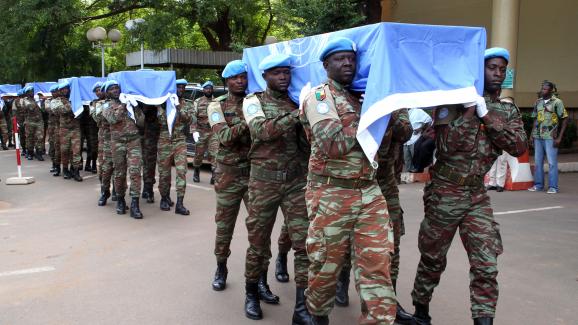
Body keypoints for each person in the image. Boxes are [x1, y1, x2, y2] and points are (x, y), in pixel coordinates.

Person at [410, 47, 527, 325]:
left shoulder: (506, 110)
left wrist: (488, 117)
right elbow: (448, 147)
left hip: (476, 194)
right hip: (445, 191)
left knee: (486, 262)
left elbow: (518, 145)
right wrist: (471, 112)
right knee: (433, 258)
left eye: (502, 69)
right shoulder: (452, 105)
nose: (498, 74)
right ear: (478, 70)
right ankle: (421, 310)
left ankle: (483, 319)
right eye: (491, 68)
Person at [300, 37, 396, 325]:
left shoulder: (362, 95)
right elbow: (332, 143)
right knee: (325, 266)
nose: (347, 64)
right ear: (326, 65)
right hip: (331, 192)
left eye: (351, 59)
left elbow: (392, 137)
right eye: (340, 59)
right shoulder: (319, 97)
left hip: (369, 191)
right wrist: (369, 114)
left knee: (378, 266)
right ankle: (318, 316)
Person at [242, 53, 311, 323]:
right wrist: (297, 115)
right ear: (265, 76)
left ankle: (302, 307)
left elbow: (305, 144)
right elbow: (261, 131)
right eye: (277, 73)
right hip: (263, 182)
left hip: (295, 181)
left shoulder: (295, 100)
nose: (284, 77)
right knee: (258, 244)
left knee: (305, 243)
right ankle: (251, 292)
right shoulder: (253, 101)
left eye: (287, 72)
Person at [207, 60, 252, 293]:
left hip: (255, 174)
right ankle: (221, 266)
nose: (240, 81)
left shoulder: (257, 101)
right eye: (235, 78)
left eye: (243, 77)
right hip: (229, 175)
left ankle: (258, 278)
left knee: (259, 229)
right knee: (225, 226)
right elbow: (224, 136)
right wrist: (250, 121)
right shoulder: (217, 106)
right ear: (227, 82)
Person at [102, 80, 145, 219]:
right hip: (118, 142)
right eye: (112, 89)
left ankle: (135, 204)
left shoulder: (130, 103)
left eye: (117, 88)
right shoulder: (107, 106)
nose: (115, 90)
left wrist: (136, 107)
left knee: (135, 171)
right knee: (119, 172)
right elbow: (114, 119)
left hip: (134, 141)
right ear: (108, 92)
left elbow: (141, 122)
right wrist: (123, 105)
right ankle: (120, 199)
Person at [157, 79, 194, 215]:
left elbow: (190, 119)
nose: (181, 89)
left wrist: (178, 107)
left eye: (183, 87)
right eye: (179, 87)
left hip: (180, 141)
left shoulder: (187, 104)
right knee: (164, 172)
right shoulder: (163, 103)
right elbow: (159, 121)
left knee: (181, 171)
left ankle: (180, 203)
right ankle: (164, 198)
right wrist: (162, 106)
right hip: (164, 140)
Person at [528, 81, 568, 194]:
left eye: (545, 89)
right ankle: (538, 185)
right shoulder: (538, 102)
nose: (542, 90)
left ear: (551, 90)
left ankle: (553, 187)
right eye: (542, 88)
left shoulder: (557, 102)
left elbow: (565, 119)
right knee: (537, 162)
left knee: (552, 163)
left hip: (551, 137)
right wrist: (532, 135)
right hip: (538, 136)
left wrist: (559, 137)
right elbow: (535, 119)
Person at [52, 81, 83, 182]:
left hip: (75, 129)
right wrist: (73, 104)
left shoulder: (75, 98)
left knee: (76, 151)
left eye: (66, 88)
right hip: (64, 129)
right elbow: (60, 110)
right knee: (65, 151)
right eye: (62, 89)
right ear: (60, 91)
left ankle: (76, 171)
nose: (65, 90)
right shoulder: (57, 101)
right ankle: (65, 169)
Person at [89, 81, 114, 206]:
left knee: (119, 166)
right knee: (104, 167)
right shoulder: (95, 104)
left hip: (117, 137)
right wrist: (102, 107)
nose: (99, 92)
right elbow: (97, 118)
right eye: (97, 90)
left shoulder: (117, 101)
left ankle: (117, 190)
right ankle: (104, 191)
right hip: (104, 138)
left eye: (101, 90)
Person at [192, 80, 216, 184]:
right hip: (201, 131)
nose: (208, 90)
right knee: (199, 154)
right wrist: (194, 131)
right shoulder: (198, 102)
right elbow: (193, 117)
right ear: (203, 90)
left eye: (210, 88)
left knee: (215, 153)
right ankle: (196, 172)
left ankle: (214, 175)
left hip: (213, 132)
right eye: (207, 88)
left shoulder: (217, 101)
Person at [141, 103, 160, 204]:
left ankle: (148, 189)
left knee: (150, 163)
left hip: (153, 132)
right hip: (137, 133)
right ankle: (117, 189)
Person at [404, 108, 432, 172]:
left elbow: (429, 120)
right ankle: (409, 177)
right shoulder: (404, 112)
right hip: (406, 140)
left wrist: (421, 129)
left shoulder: (418, 110)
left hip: (415, 139)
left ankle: (418, 174)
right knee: (407, 159)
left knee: (416, 159)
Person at [21, 86, 45, 161]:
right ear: (27, 93)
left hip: (39, 122)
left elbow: (43, 110)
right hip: (29, 122)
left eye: (32, 91)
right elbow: (30, 107)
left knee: (40, 137)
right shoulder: (24, 100)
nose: (32, 92)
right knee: (30, 138)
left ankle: (39, 153)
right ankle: (30, 153)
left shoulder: (37, 99)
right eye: (30, 91)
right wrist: (37, 102)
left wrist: (42, 102)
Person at [48, 86, 62, 176]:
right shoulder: (49, 101)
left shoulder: (63, 100)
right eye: (53, 92)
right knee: (53, 146)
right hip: (53, 127)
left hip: (62, 126)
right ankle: (55, 165)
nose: (54, 93)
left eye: (56, 91)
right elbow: (50, 110)